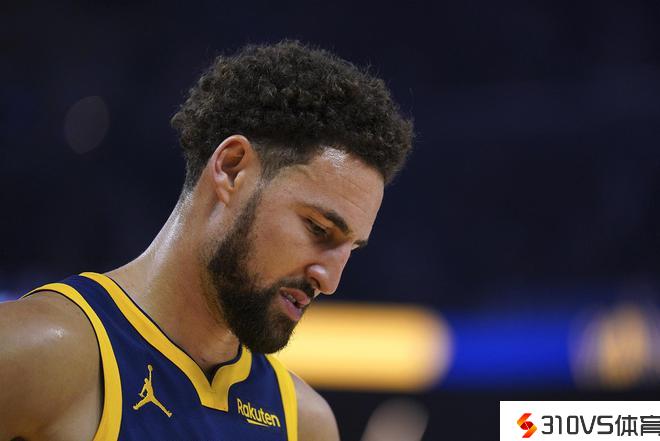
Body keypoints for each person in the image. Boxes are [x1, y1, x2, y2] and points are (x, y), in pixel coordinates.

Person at [0, 40, 413, 440]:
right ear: (231, 169)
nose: (330, 280)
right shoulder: (36, 352)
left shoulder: (305, 423)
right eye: (318, 229)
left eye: (350, 249)